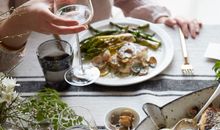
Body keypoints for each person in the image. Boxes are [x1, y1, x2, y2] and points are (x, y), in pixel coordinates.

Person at [0, 0, 202, 72]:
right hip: (32, 76)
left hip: (99, 65)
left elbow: (129, 1)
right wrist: (20, 21)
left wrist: (160, 18)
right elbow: (2, 66)